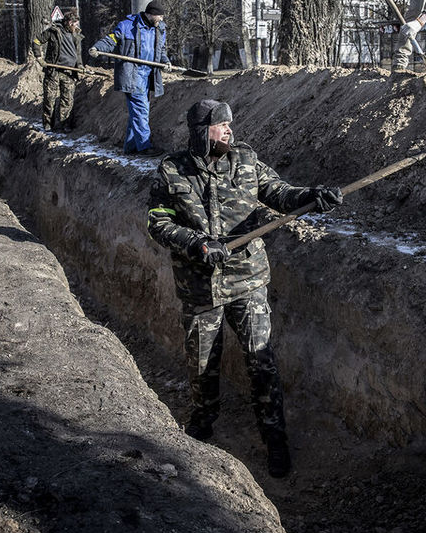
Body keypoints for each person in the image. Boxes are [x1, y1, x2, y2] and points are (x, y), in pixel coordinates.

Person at [146, 99, 344, 478]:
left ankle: (275, 440)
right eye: (222, 126)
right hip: (200, 288)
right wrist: (196, 243)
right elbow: (157, 221)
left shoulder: (246, 160)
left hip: (247, 280)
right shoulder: (172, 171)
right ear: (203, 132)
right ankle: (201, 431)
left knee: (261, 362)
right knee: (203, 367)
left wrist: (311, 195)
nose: (230, 132)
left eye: (230, 125)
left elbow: (279, 191)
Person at [89, 0, 169, 156]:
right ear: (150, 14)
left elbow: (162, 50)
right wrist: (97, 47)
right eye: (159, 16)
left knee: (137, 112)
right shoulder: (127, 26)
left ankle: (131, 147)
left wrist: (165, 61)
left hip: (148, 75)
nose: (161, 19)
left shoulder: (160, 29)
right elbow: (111, 40)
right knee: (141, 111)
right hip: (132, 74)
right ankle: (144, 146)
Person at [29, 9, 83, 131]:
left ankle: (65, 124)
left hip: (69, 72)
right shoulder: (53, 32)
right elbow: (36, 41)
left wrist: (79, 66)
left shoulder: (76, 35)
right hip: (53, 71)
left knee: (67, 99)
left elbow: (77, 54)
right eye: (75, 23)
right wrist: (39, 57)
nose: (77, 26)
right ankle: (48, 125)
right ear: (70, 22)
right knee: (49, 98)